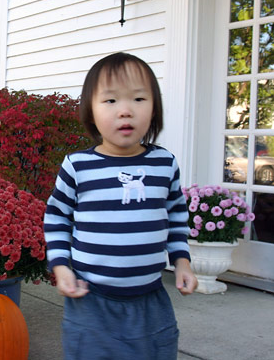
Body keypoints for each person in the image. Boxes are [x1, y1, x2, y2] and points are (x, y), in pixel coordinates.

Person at [43, 52, 197, 360]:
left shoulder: (164, 164)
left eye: (139, 99)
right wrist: (60, 266)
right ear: (91, 111)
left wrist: (182, 261)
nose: (125, 111)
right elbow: (57, 217)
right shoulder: (78, 166)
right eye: (110, 101)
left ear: (154, 109)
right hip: (91, 299)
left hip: (151, 299)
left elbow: (177, 215)